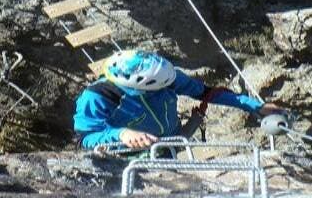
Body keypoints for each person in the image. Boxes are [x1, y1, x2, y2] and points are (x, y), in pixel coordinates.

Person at [73, 50, 281, 149]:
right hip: (130, 154)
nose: (169, 87)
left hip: (172, 142)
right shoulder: (99, 97)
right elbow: (85, 139)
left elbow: (208, 93)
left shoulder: (167, 78)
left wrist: (257, 106)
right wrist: (122, 134)